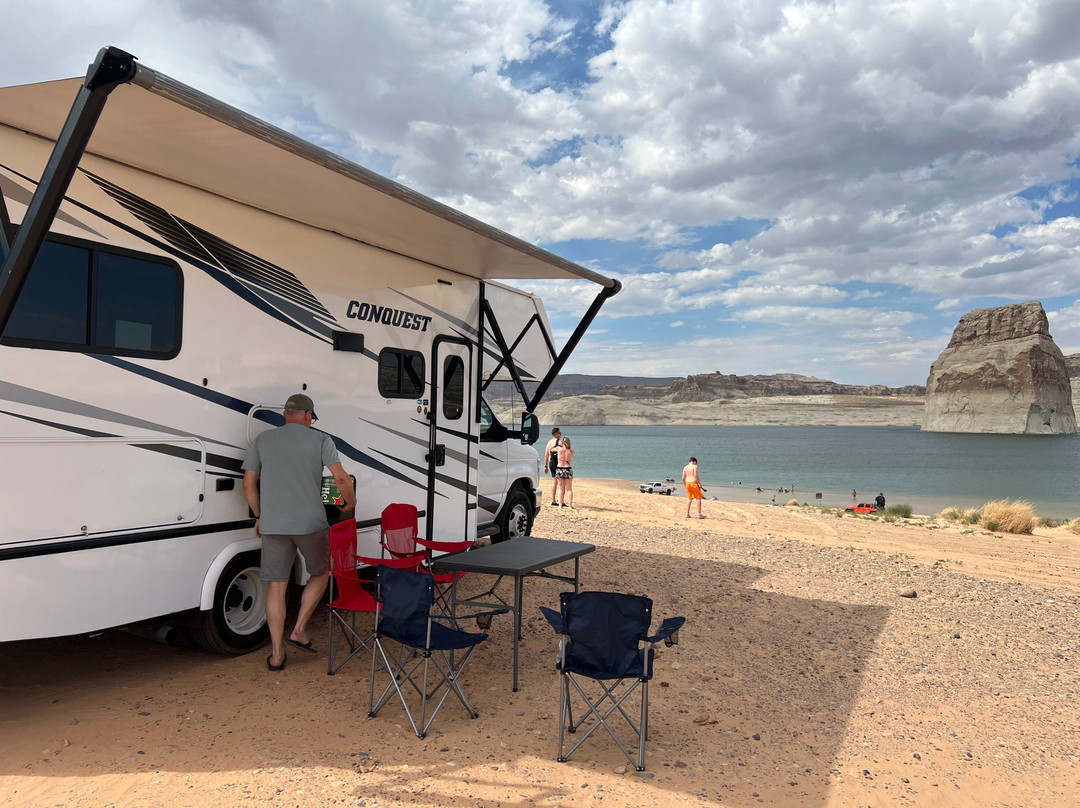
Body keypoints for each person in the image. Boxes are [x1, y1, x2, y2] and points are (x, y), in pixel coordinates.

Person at [242, 393, 356, 673]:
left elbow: (248, 485)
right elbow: (340, 477)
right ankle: (299, 629)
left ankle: (277, 655)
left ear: (286, 414)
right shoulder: (320, 439)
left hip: (273, 525)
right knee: (320, 572)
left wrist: (260, 516)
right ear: (307, 415)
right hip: (309, 524)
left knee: (276, 586)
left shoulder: (263, 440)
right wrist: (350, 502)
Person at [543, 427, 562, 506]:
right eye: (559, 433)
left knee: (554, 481)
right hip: (558, 463)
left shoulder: (549, 442)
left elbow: (546, 455)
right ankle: (561, 501)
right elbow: (563, 453)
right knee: (561, 482)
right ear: (556, 434)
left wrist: (545, 466)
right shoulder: (560, 442)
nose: (560, 434)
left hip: (551, 463)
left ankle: (553, 500)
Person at [555, 435, 574, 509]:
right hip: (568, 468)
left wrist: (560, 443)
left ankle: (560, 504)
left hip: (560, 468)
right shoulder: (571, 451)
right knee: (569, 488)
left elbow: (552, 449)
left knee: (561, 488)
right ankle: (570, 505)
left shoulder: (559, 449)